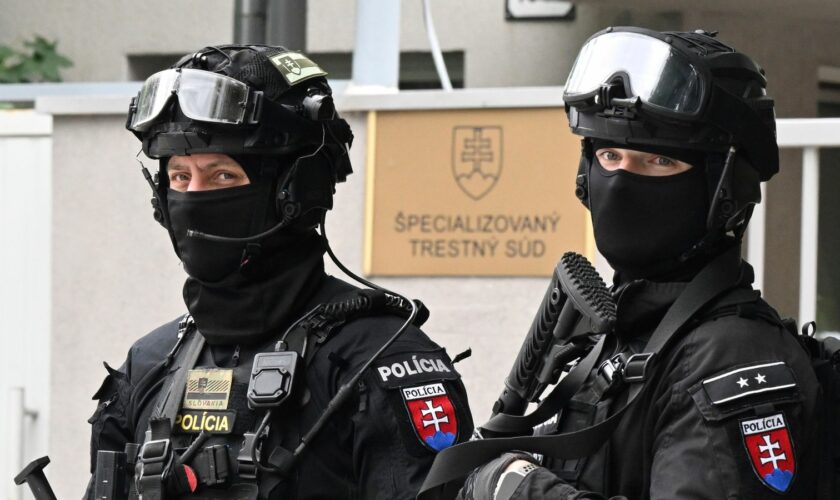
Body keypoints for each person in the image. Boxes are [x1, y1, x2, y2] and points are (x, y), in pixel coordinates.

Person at [85, 45, 473, 499]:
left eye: (222, 176)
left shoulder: (380, 361)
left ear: (291, 191)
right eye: (179, 177)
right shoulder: (150, 363)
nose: (194, 196)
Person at [451, 27, 820, 499]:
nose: (622, 180)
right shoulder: (625, 333)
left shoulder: (731, 357)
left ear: (723, 189)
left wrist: (519, 489)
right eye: (609, 155)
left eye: (658, 162)